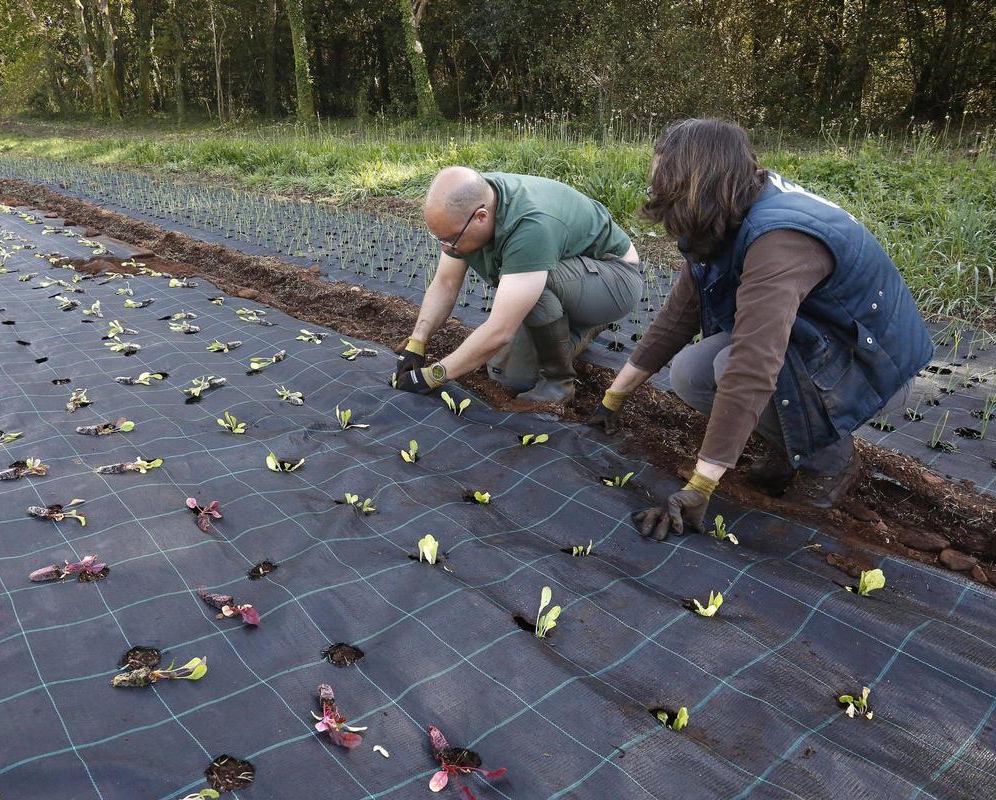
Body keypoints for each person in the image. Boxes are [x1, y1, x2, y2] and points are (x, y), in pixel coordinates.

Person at [590, 118, 932, 540]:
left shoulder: (779, 240)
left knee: (729, 366)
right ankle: (791, 444)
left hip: (871, 364)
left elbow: (754, 363)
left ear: (696, 186)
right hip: (819, 340)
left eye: (663, 184)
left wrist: (700, 486)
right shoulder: (729, 212)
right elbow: (678, 318)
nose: (656, 193)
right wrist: (612, 399)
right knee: (692, 372)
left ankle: (828, 460)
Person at [393, 167, 643, 404]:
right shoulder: (467, 204)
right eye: (439, 239)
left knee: (534, 284)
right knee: (511, 375)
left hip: (614, 278)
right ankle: (575, 327)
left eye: (450, 239)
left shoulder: (529, 227)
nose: (445, 248)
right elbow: (446, 283)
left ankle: (559, 383)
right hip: (571, 273)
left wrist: (433, 376)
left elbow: (500, 330)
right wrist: (418, 342)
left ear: (481, 217)